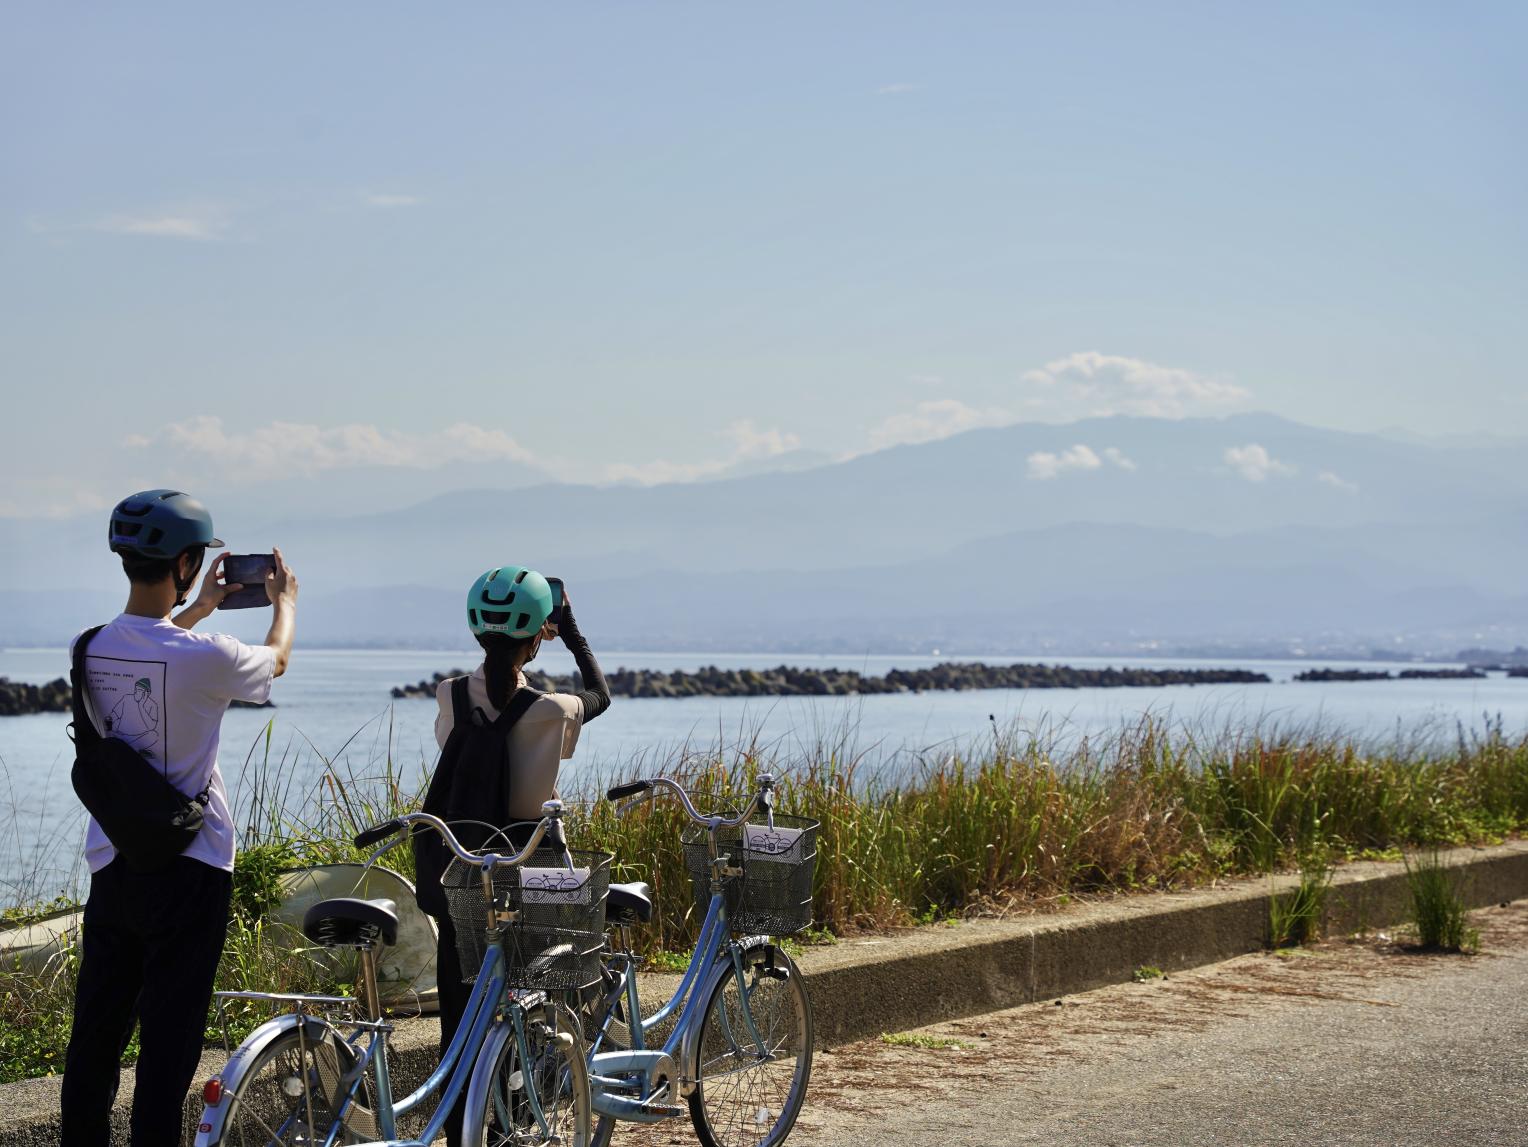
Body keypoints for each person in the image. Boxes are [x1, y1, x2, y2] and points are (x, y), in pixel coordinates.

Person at [60, 489, 298, 1146]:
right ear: (189, 559)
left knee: (95, 1042)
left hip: (114, 862)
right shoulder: (210, 656)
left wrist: (199, 606)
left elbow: (154, 644)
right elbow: (274, 660)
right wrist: (285, 601)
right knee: (166, 1057)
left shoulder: (89, 649)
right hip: (191, 868)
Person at [428, 565, 610, 1147]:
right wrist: (572, 628)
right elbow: (600, 694)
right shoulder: (552, 711)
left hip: (463, 869)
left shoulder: (450, 695)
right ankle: (521, 1113)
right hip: (530, 869)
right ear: (537, 634)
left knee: (460, 1010)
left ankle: (460, 1129)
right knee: (542, 991)